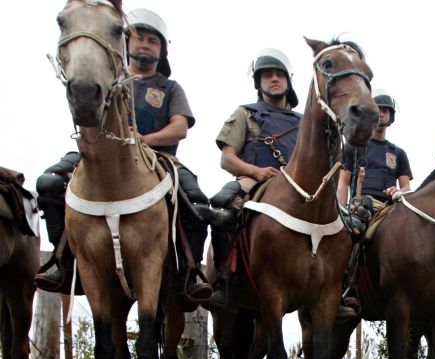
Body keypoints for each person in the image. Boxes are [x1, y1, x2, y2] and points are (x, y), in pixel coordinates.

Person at [35, 8, 213, 301]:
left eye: (153, 41)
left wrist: (143, 138)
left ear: (162, 51)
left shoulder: (169, 88)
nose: (144, 43)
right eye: (138, 37)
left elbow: (179, 128)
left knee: (197, 202)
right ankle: (63, 261)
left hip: (159, 158)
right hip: (99, 154)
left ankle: (190, 272)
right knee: (49, 184)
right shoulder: (106, 78)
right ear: (125, 43)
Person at [195, 48, 303, 308]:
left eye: (279, 75)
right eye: (267, 76)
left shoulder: (305, 122)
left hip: (298, 187)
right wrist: (255, 172)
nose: (274, 79)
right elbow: (227, 159)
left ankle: (338, 286)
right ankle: (222, 279)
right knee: (223, 205)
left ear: (288, 81)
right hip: (254, 180)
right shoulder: (245, 113)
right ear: (258, 82)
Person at [335, 89, 412, 317]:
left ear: (391, 117)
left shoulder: (398, 153)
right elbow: (343, 181)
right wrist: (341, 211)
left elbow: (406, 186)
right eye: (378, 109)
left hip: (392, 206)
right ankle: (345, 286)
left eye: (386, 110)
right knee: (352, 233)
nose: (382, 114)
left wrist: (399, 191)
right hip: (362, 204)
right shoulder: (353, 146)